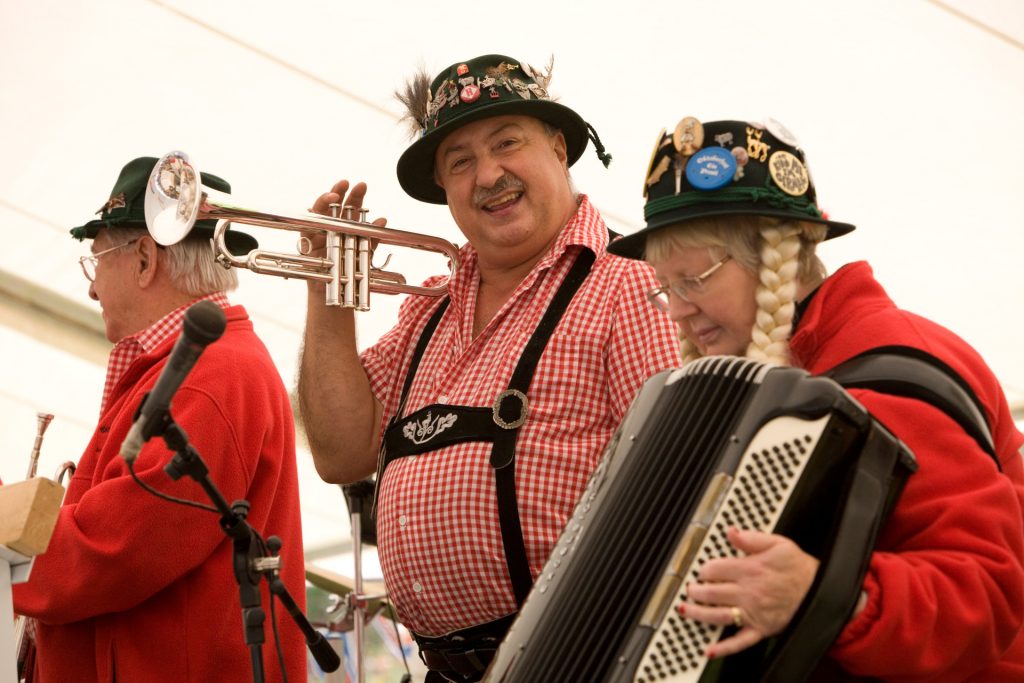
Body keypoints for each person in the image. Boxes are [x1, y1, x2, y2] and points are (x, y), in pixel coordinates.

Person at [298, 54, 681, 680]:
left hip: (578, 660)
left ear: (559, 149)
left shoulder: (631, 289)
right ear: (444, 190)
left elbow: (679, 489)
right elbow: (339, 453)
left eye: (507, 144)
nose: (489, 175)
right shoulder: (427, 312)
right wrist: (327, 292)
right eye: (461, 161)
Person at [607, 117, 1024, 681]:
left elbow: (988, 597)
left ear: (775, 255)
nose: (677, 310)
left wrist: (819, 594)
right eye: (667, 288)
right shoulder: (781, 376)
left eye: (695, 279)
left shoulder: (892, 369)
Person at [13, 157, 307, 682]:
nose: (92, 289)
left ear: (145, 258)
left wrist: (10, 545)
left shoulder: (213, 373)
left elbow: (115, 551)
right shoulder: (202, 366)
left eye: (95, 262)